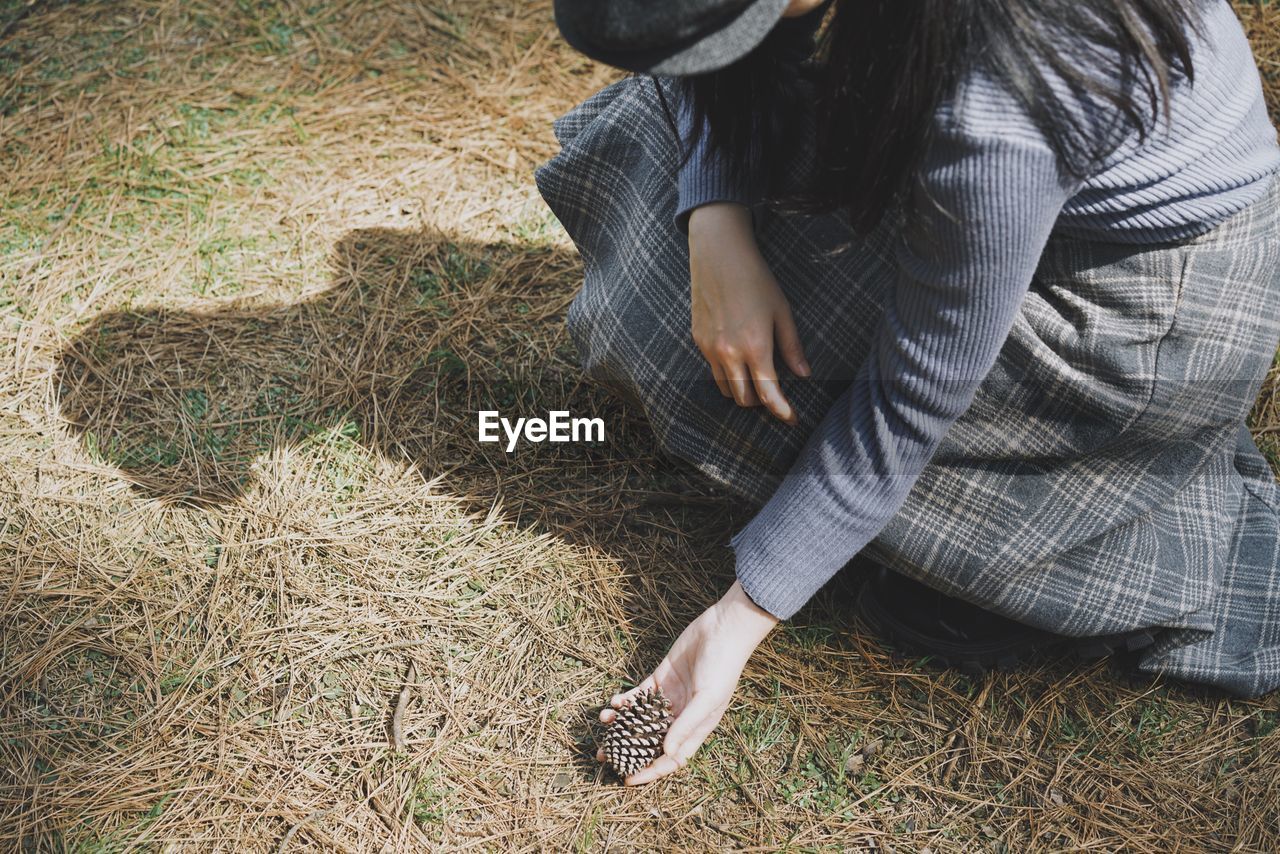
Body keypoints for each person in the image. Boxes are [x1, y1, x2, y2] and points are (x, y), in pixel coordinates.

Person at [535, 0, 1280, 785]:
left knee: (774, 391)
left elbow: (911, 399)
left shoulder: (997, 101)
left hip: (1137, 301)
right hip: (998, 188)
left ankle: (1103, 517)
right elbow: (715, 62)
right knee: (687, 299)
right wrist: (716, 215)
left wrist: (739, 617)